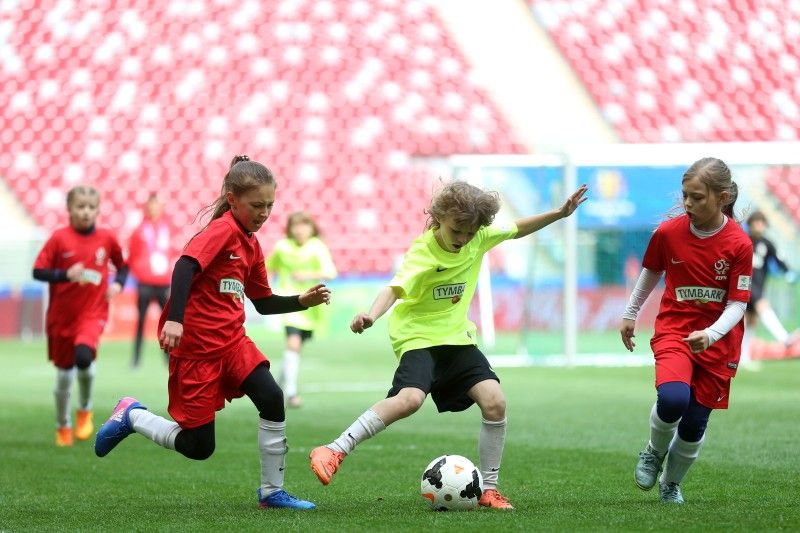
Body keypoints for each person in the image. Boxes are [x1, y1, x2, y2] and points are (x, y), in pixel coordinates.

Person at [309, 180, 589, 510]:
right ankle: (335, 448)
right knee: (410, 399)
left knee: (495, 402)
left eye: (470, 233)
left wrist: (559, 213)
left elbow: (516, 228)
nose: (463, 239)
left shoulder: (478, 238)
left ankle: (489, 490)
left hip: (456, 338)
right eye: (457, 230)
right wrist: (371, 316)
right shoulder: (423, 252)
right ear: (440, 217)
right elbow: (393, 289)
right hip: (418, 337)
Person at [94, 155, 331, 510]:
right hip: (198, 350)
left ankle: (272, 492)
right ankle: (133, 416)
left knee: (271, 396)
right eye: (256, 205)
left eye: (270, 205)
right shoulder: (223, 230)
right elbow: (185, 266)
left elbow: (263, 302)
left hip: (233, 343)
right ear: (233, 200)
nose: (265, 213)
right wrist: (174, 320)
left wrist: (301, 300)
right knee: (199, 447)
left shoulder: (252, 244)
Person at [620, 157, 753, 504]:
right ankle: (653, 450)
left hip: (718, 343)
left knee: (695, 424)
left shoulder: (740, 244)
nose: (688, 204)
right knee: (674, 399)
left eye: (697, 197)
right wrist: (631, 313)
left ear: (722, 197)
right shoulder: (667, 233)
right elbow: (650, 271)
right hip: (675, 332)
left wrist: (710, 334)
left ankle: (671, 483)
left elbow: (738, 304)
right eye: (685, 196)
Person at [32, 186, 128, 447]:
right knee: (64, 375)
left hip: (92, 313)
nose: (86, 212)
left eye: (91, 207)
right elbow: (38, 272)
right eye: (80, 206)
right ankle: (62, 425)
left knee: (84, 358)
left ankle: (85, 409)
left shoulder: (106, 238)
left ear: (97, 210)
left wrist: (119, 283)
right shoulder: (58, 239)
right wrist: (64, 275)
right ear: (69, 209)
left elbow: (123, 265)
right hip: (61, 318)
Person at [267, 211, 337, 408]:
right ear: (289, 228)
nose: (300, 230)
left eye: (304, 225)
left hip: (311, 306)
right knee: (293, 343)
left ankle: (278, 384)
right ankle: (291, 393)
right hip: (288, 302)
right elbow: (268, 266)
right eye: (295, 226)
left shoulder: (317, 246)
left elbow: (330, 272)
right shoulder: (282, 247)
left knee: (295, 348)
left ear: (311, 228)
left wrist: (307, 276)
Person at [741, 210, 797, 365]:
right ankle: (784, 338)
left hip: (759, 284)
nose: (758, 226)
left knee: (751, 321)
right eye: (755, 222)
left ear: (765, 225)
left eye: (761, 223)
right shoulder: (743, 240)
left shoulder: (767, 243)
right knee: (762, 305)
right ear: (750, 224)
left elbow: (779, 260)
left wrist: (788, 272)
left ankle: (744, 357)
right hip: (744, 283)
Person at [128, 194, 172, 368]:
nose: (153, 209)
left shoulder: (166, 228)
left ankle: (170, 360)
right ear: (147, 207)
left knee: (168, 323)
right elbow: (131, 255)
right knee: (141, 321)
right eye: (151, 206)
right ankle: (136, 359)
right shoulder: (139, 230)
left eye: (156, 205)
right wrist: (140, 273)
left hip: (163, 282)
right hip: (145, 282)